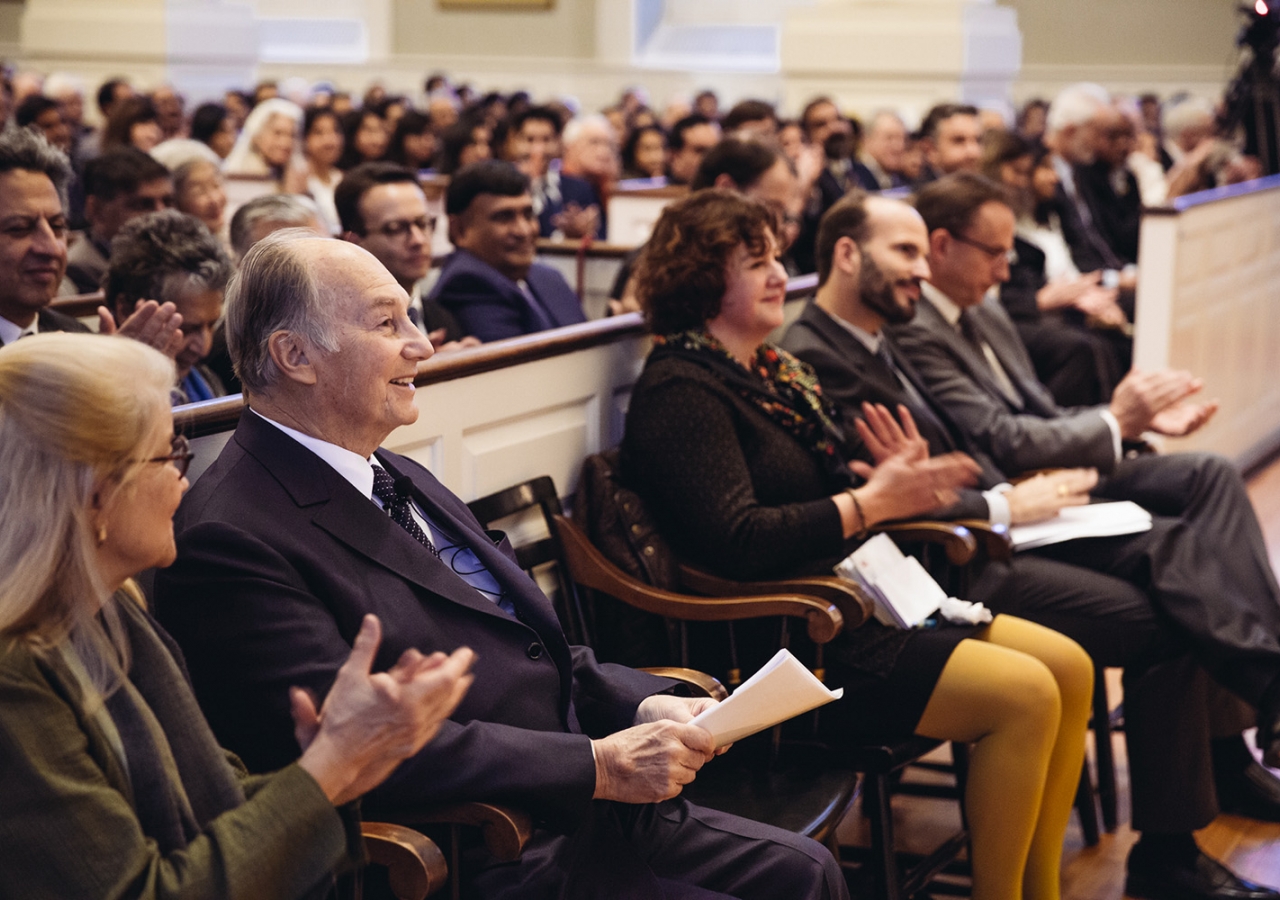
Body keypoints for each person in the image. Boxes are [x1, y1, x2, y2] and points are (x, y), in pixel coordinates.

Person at [153, 227, 849, 900]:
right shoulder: (232, 535)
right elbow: (360, 749)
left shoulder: (389, 468)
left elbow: (526, 646)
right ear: (296, 355)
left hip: (579, 810)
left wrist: (640, 698)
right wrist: (596, 764)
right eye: (387, 324)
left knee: (808, 872)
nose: (421, 345)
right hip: (487, 850)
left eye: (412, 317)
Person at [779, 189, 1280, 900]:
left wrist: (1013, 492)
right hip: (949, 562)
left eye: (923, 253)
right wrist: (1002, 501)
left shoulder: (874, 335)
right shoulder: (819, 354)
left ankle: (1241, 733)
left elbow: (951, 455)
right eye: (907, 252)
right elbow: (898, 492)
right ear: (846, 253)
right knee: (1174, 607)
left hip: (993, 521)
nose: (920, 272)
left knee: (1188, 539)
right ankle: (1180, 836)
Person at [621, 189, 1091, 900]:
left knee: (1072, 665)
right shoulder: (680, 388)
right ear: (703, 280)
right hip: (786, 638)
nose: (781, 275)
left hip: (854, 598)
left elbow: (840, 490)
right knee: (1025, 696)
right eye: (758, 263)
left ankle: (1041, 886)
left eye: (777, 258)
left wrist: (897, 486)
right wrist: (867, 502)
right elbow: (739, 539)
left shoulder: (775, 375)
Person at [0, 330, 475, 900]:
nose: (185, 475)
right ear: (94, 494)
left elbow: (220, 799)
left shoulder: (113, 614)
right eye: (170, 453)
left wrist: (350, 759)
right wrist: (328, 768)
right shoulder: (15, 680)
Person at [891, 173, 1280, 826]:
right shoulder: (914, 330)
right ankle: (1263, 696)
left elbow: (1039, 411)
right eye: (994, 251)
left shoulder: (981, 308)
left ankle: (1243, 729)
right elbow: (1002, 440)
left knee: (1208, 475)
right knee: (1181, 581)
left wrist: (1124, 431)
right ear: (942, 246)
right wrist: (1115, 423)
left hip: (1056, 474)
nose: (1007, 266)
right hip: (1011, 501)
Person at [428, 159, 586, 342]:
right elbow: (523, 368)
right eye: (504, 217)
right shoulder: (467, 285)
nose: (524, 230)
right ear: (459, 230)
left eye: (528, 214)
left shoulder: (547, 275)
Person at [335, 161, 477, 350]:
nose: (418, 240)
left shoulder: (442, 316)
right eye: (396, 229)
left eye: (423, 223)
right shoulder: (342, 333)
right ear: (354, 242)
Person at [104, 209, 235, 404]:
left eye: (212, 325)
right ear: (126, 310)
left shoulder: (207, 380)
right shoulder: (100, 395)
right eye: (186, 329)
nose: (204, 348)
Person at [67, 147, 174, 294]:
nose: (163, 215)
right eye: (142, 205)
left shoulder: (170, 254)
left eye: (168, 202)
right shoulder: (80, 269)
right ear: (96, 209)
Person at [223, 98, 307, 193]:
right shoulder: (234, 177)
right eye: (277, 133)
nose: (285, 143)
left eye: (292, 135)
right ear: (257, 135)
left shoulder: (295, 175)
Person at [301, 105, 345, 234]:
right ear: (304, 138)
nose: (330, 141)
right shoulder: (300, 181)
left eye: (335, 131)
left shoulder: (343, 178)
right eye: (319, 133)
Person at [917, 103, 983, 182]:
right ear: (930, 150)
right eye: (959, 141)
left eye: (978, 141)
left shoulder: (987, 191)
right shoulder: (912, 193)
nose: (974, 152)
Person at [666, 113, 720, 186]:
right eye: (700, 151)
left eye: (715, 150)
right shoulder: (653, 193)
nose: (711, 158)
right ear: (674, 157)